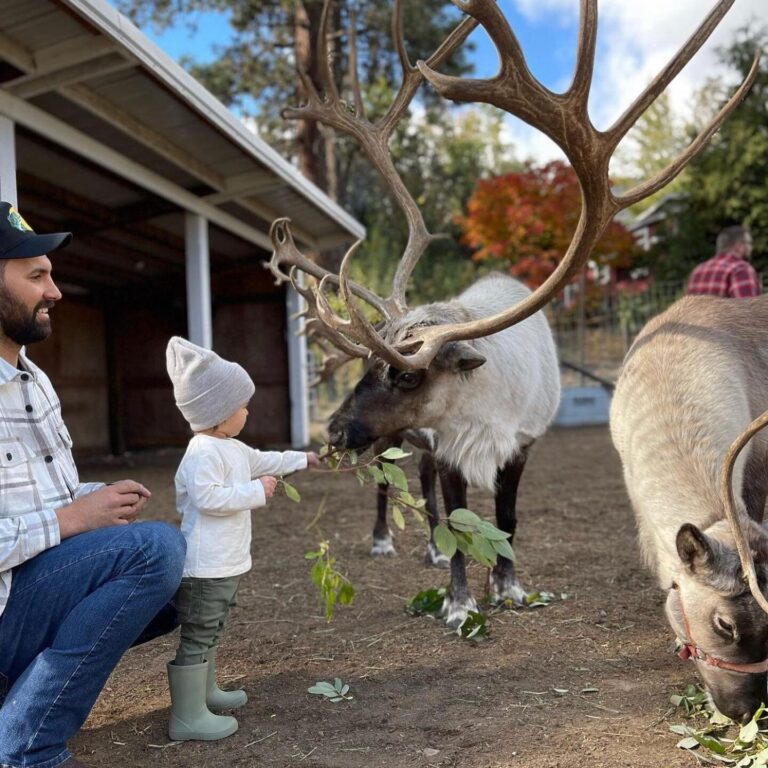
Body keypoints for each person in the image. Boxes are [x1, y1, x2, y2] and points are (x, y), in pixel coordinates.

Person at [0, 201, 187, 768]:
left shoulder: (33, 379)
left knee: (177, 587)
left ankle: (15, 704)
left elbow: (37, 495)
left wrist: (93, 499)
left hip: (22, 591)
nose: (54, 291)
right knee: (154, 551)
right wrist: (72, 520)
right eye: (37, 276)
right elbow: (58, 521)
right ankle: (27, 747)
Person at [164, 337, 319, 741]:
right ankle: (187, 716)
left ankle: (206, 692)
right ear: (218, 413)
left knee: (213, 626)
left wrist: (303, 459)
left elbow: (266, 460)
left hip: (227, 562)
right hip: (205, 567)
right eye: (242, 406)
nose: (247, 412)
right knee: (199, 631)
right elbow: (208, 498)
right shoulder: (202, 452)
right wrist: (256, 491)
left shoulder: (231, 447)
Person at [686, 225, 761, 298]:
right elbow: (746, 305)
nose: (751, 248)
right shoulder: (741, 269)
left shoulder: (697, 271)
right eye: (749, 243)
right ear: (739, 246)